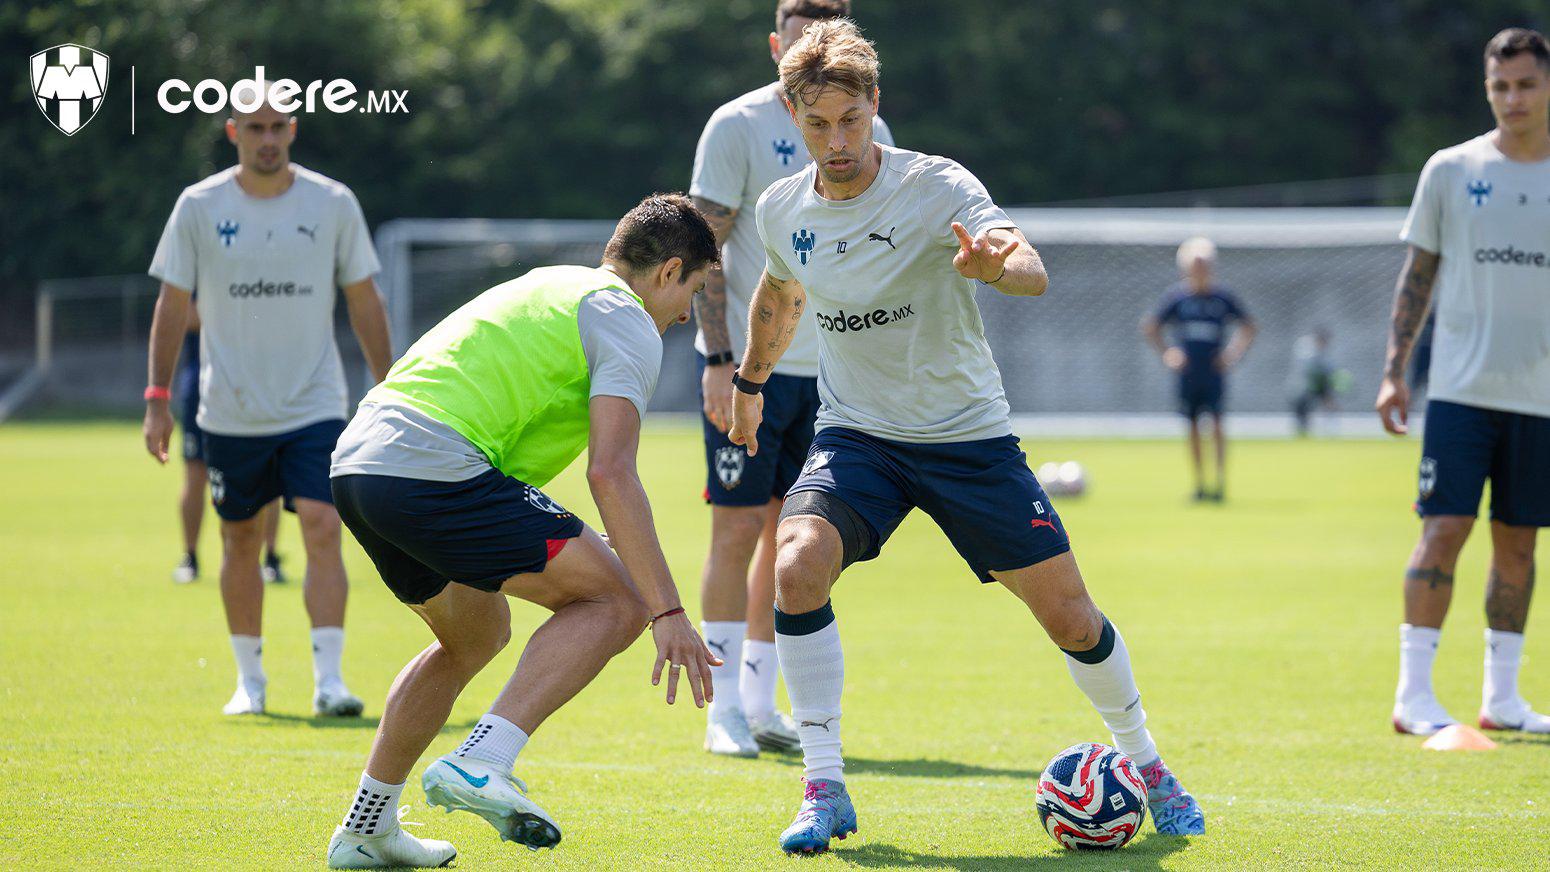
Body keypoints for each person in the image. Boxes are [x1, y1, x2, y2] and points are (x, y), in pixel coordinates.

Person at [727, 20, 1204, 854]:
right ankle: (824, 784)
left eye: (851, 119)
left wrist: (992, 267)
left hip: (966, 440)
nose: (837, 142)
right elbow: (778, 293)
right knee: (796, 564)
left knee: (1070, 618)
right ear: (792, 117)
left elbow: (1029, 266)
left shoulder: (937, 185)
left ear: (876, 104)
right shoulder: (781, 209)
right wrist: (750, 383)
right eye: (817, 124)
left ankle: (1148, 765)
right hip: (859, 436)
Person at [322, 194, 721, 868]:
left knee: (475, 636)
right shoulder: (627, 318)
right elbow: (612, 473)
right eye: (694, 292)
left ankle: (366, 828)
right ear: (668, 270)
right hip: (431, 468)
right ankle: (482, 761)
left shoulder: (551, 284)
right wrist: (669, 611)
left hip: (360, 465)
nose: (686, 315)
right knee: (618, 603)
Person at [143, 92, 392, 718]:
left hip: (315, 402)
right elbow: (172, 305)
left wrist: (388, 385)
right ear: (234, 132)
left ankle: (329, 680)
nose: (267, 138)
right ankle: (249, 681)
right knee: (241, 541)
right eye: (255, 127)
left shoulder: (332, 202)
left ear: (293, 129)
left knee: (322, 525)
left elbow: (363, 298)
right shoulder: (199, 206)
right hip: (230, 408)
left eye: (278, 126)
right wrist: (157, 397)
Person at [690, 0, 894, 759]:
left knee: (797, 543)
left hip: (838, 380)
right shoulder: (736, 125)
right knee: (737, 528)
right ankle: (719, 711)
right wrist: (719, 362)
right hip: (755, 371)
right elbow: (705, 247)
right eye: (800, 35)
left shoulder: (875, 133)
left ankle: (759, 700)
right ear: (777, 44)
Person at [1377, 27, 1550, 737]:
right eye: (1500, 86)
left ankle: (1502, 699)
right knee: (1444, 529)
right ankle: (1413, 696)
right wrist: (1394, 373)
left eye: (1526, 84)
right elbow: (1417, 277)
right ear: (1487, 89)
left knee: (1519, 544)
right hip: (1460, 391)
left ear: (1547, 87)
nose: (1513, 98)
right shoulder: (1450, 169)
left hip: (1540, 398)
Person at [171, 308, 287, 586]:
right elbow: (183, 316)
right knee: (195, 475)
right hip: (203, 389)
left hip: (258, 387)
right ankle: (190, 557)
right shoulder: (199, 270)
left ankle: (270, 558)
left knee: (269, 474)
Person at [1142, 237, 1257, 502]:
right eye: (1196, 265)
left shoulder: (1222, 298)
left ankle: (1219, 484)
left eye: (1205, 265)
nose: (1201, 270)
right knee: (1192, 427)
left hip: (1214, 373)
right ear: (1186, 268)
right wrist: (1169, 353)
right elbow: (1151, 327)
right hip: (1188, 374)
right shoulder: (1178, 298)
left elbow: (1249, 326)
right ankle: (1200, 485)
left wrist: (1232, 353)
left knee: (1216, 425)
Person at [1288, 327, 1336, 437]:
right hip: (1303, 386)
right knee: (1301, 410)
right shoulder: (1306, 348)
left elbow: (1328, 369)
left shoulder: (1323, 351)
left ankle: (1330, 429)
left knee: (1329, 403)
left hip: (1317, 384)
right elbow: (1308, 368)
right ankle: (1301, 431)